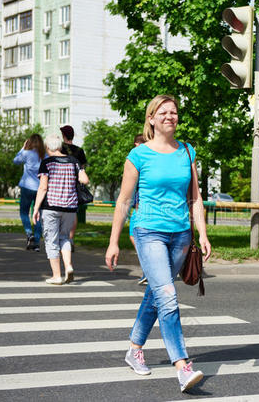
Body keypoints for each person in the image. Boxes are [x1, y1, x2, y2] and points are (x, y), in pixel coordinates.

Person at [105, 95, 212, 393]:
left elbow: (195, 197)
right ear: (151, 119)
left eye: (174, 111)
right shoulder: (138, 155)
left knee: (155, 294)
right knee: (167, 296)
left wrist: (201, 233)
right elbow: (124, 201)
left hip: (180, 234)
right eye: (163, 112)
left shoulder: (187, 151)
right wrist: (113, 242)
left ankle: (134, 348)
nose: (170, 116)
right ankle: (182, 366)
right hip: (148, 231)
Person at [33, 133, 89, 285]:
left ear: (47, 147)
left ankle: (57, 275)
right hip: (70, 207)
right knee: (64, 237)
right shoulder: (74, 161)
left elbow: (43, 187)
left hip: (51, 207)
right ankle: (68, 266)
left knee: (51, 241)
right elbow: (85, 179)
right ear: (60, 146)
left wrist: (36, 209)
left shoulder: (47, 163)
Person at [13, 134, 45, 251]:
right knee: (38, 215)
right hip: (40, 189)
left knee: (23, 212)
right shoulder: (44, 155)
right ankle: (36, 243)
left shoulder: (26, 153)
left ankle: (29, 234)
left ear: (29, 142)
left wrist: (23, 148)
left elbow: (15, 161)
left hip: (27, 187)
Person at [60, 125, 87, 251]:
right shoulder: (79, 150)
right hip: (75, 184)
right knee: (73, 211)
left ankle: (61, 238)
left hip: (61, 182)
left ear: (63, 135)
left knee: (59, 209)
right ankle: (70, 238)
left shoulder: (59, 149)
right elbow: (82, 168)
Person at [128, 134, 148, 285]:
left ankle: (148, 270)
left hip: (141, 206)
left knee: (138, 237)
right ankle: (148, 269)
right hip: (137, 204)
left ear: (136, 144)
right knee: (135, 237)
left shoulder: (141, 158)